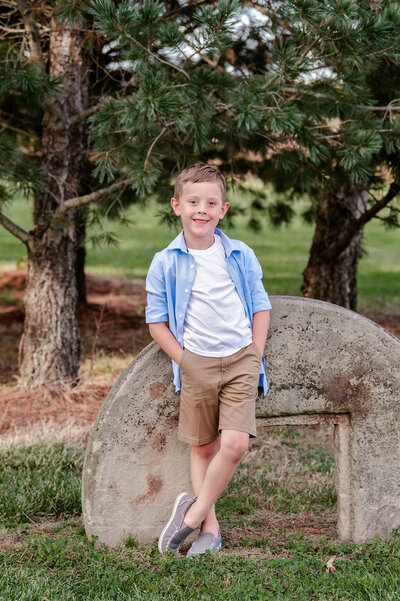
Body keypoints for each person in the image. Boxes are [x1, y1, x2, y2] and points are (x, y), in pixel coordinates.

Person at [145, 163, 271, 557]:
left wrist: (255, 353)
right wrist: (185, 361)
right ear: (177, 206)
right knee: (203, 447)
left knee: (233, 444)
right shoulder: (165, 262)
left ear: (223, 210)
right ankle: (210, 529)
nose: (202, 209)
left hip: (240, 360)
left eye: (211, 203)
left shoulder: (238, 254)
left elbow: (261, 307)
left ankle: (191, 514)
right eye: (193, 201)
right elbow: (156, 322)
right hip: (196, 363)